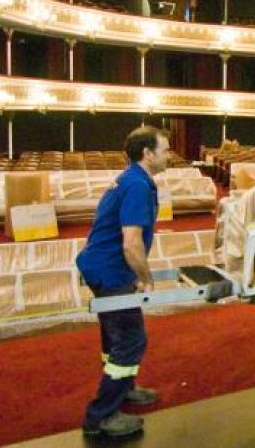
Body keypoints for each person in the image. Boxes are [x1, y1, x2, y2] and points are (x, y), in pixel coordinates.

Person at [76, 126, 170, 438]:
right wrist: (145, 278)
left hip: (102, 266)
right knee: (131, 340)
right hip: (111, 271)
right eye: (165, 150)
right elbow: (131, 243)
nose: (168, 155)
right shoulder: (137, 186)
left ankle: (125, 388)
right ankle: (100, 416)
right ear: (147, 153)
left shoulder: (133, 178)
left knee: (114, 336)